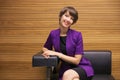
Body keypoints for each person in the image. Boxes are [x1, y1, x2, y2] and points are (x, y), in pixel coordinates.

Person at [42, 6, 94, 80]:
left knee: (67, 75)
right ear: (60, 16)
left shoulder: (77, 35)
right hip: (65, 69)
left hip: (81, 67)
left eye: (71, 19)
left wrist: (58, 54)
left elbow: (76, 61)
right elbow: (45, 47)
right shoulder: (53, 34)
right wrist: (46, 52)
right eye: (66, 16)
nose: (68, 20)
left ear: (73, 22)